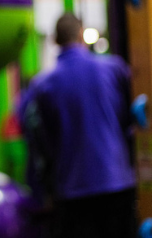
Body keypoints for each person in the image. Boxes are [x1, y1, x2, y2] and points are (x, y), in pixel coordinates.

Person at [18, 13, 137, 238]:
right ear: (82, 34)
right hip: (117, 182)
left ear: (55, 40)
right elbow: (130, 122)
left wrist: (44, 189)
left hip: (72, 190)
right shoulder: (114, 69)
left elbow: (39, 141)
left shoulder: (43, 85)